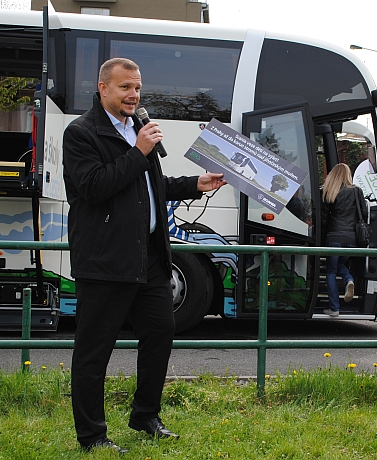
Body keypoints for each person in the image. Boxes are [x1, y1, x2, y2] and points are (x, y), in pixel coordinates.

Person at [62, 57, 226, 453]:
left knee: (160, 333)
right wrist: (138, 150)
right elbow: (94, 187)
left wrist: (195, 184)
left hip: (149, 257)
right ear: (102, 88)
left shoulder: (140, 129)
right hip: (105, 261)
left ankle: (145, 415)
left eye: (137, 87)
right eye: (124, 87)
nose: (134, 95)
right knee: (93, 351)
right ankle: (92, 436)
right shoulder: (82, 132)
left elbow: (151, 184)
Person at [321, 163, 367, 316]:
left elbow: (323, 218)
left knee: (331, 271)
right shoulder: (356, 191)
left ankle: (334, 308)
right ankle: (348, 279)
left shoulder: (329, 191)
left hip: (333, 237)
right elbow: (364, 213)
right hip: (352, 239)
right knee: (341, 263)